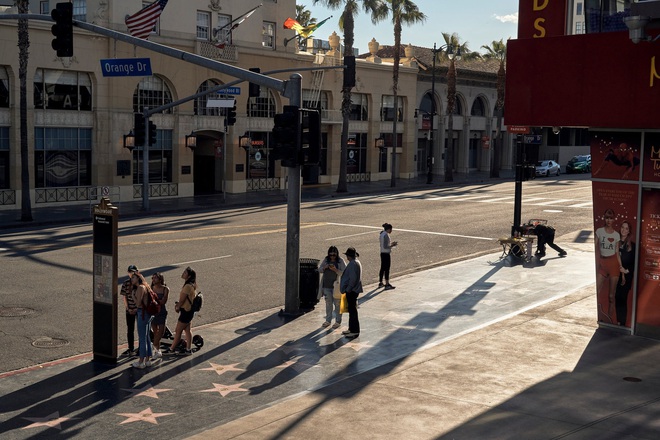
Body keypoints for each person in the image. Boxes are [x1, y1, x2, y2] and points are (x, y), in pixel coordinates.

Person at [595, 209, 622, 323]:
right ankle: (601, 317)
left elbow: (617, 252)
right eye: (607, 217)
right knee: (597, 289)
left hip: (613, 264)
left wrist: (621, 268)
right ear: (604, 218)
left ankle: (611, 320)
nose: (609, 220)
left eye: (611, 218)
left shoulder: (616, 235)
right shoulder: (599, 231)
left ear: (614, 219)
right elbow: (594, 246)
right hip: (602, 262)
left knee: (611, 296)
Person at [164, 266, 197, 356]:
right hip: (189, 311)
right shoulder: (192, 285)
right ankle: (188, 349)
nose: (183, 273)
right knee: (187, 330)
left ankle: (171, 349)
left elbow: (182, 300)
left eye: (185, 272)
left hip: (186, 311)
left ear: (189, 276)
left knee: (178, 331)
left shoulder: (187, 286)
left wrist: (177, 307)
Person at [131, 273, 160, 369]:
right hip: (148, 314)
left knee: (142, 338)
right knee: (147, 337)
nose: (132, 279)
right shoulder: (146, 286)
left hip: (142, 313)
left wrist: (133, 296)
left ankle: (141, 361)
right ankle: (147, 360)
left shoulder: (140, 288)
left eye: (134, 277)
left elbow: (138, 302)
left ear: (138, 279)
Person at [318, 246, 346, 329]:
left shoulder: (340, 261)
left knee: (337, 304)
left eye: (334, 255)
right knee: (328, 304)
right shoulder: (326, 260)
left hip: (336, 287)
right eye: (331, 255)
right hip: (327, 286)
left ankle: (338, 321)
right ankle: (328, 320)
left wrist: (336, 270)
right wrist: (324, 267)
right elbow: (319, 270)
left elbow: (344, 273)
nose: (332, 257)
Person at [340, 247, 363, 339]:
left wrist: (348, 288)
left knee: (352, 311)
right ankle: (351, 328)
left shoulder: (353, 264)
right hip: (353, 290)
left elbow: (353, 279)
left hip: (352, 290)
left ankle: (354, 330)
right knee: (351, 310)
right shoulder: (356, 262)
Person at [615, 221, 635, 326]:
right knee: (616, 297)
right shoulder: (616, 242)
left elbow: (633, 263)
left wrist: (626, 271)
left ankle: (622, 322)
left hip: (626, 277)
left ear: (629, 231)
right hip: (616, 276)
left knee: (623, 298)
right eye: (622, 227)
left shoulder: (632, 246)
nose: (624, 230)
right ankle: (618, 321)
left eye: (626, 228)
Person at [119, 264, 139, 356]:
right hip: (129, 309)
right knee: (130, 329)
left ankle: (141, 347)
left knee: (140, 329)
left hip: (138, 309)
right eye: (130, 272)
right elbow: (124, 297)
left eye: (133, 272)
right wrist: (128, 308)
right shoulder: (126, 283)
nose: (132, 274)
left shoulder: (139, 283)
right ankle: (131, 348)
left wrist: (136, 308)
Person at [150, 272, 169, 358]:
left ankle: (153, 346)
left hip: (162, 312)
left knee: (161, 331)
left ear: (160, 279)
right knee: (155, 332)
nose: (153, 280)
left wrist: (154, 299)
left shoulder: (165, 289)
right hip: (153, 312)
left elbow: (163, 302)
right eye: (153, 278)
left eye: (155, 278)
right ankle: (157, 351)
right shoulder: (151, 288)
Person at [379, 223, 398, 290]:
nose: (391, 231)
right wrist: (392, 245)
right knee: (387, 269)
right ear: (389, 229)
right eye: (391, 229)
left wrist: (390, 244)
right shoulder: (386, 235)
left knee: (382, 268)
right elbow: (386, 246)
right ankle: (387, 283)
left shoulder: (381, 234)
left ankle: (380, 282)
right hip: (386, 253)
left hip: (382, 252)